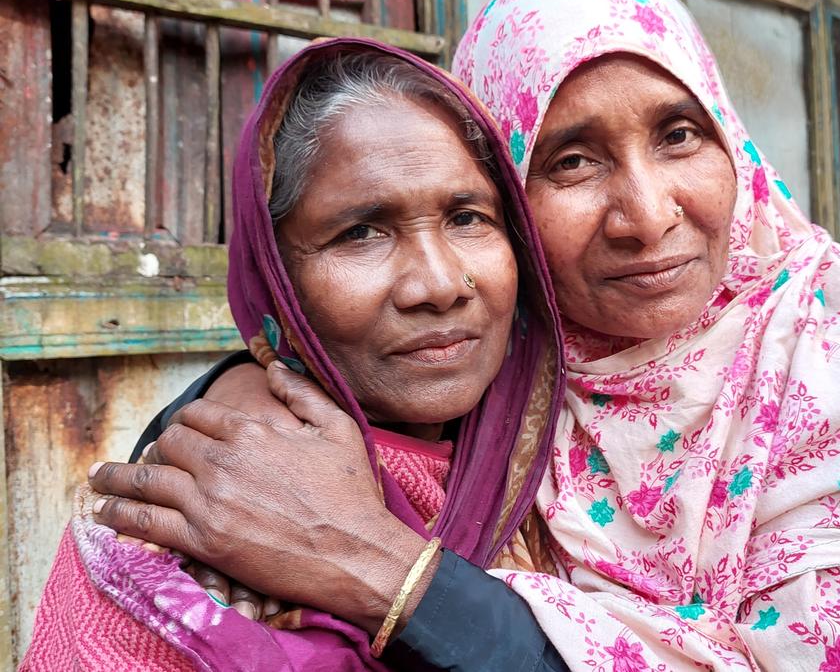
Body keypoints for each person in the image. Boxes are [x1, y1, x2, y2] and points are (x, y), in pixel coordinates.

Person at [91, 0, 840, 671]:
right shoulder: (501, 347)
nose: (647, 216)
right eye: (572, 162)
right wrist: (248, 386)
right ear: (510, 199)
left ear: (731, 140)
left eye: (679, 134)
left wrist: (384, 572)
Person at [19, 38, 565, 671]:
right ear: (273, 273)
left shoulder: (564, 459)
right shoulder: (192, 515)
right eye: (360, 232)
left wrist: (375, 565)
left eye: (469, 217)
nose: (440, 285)